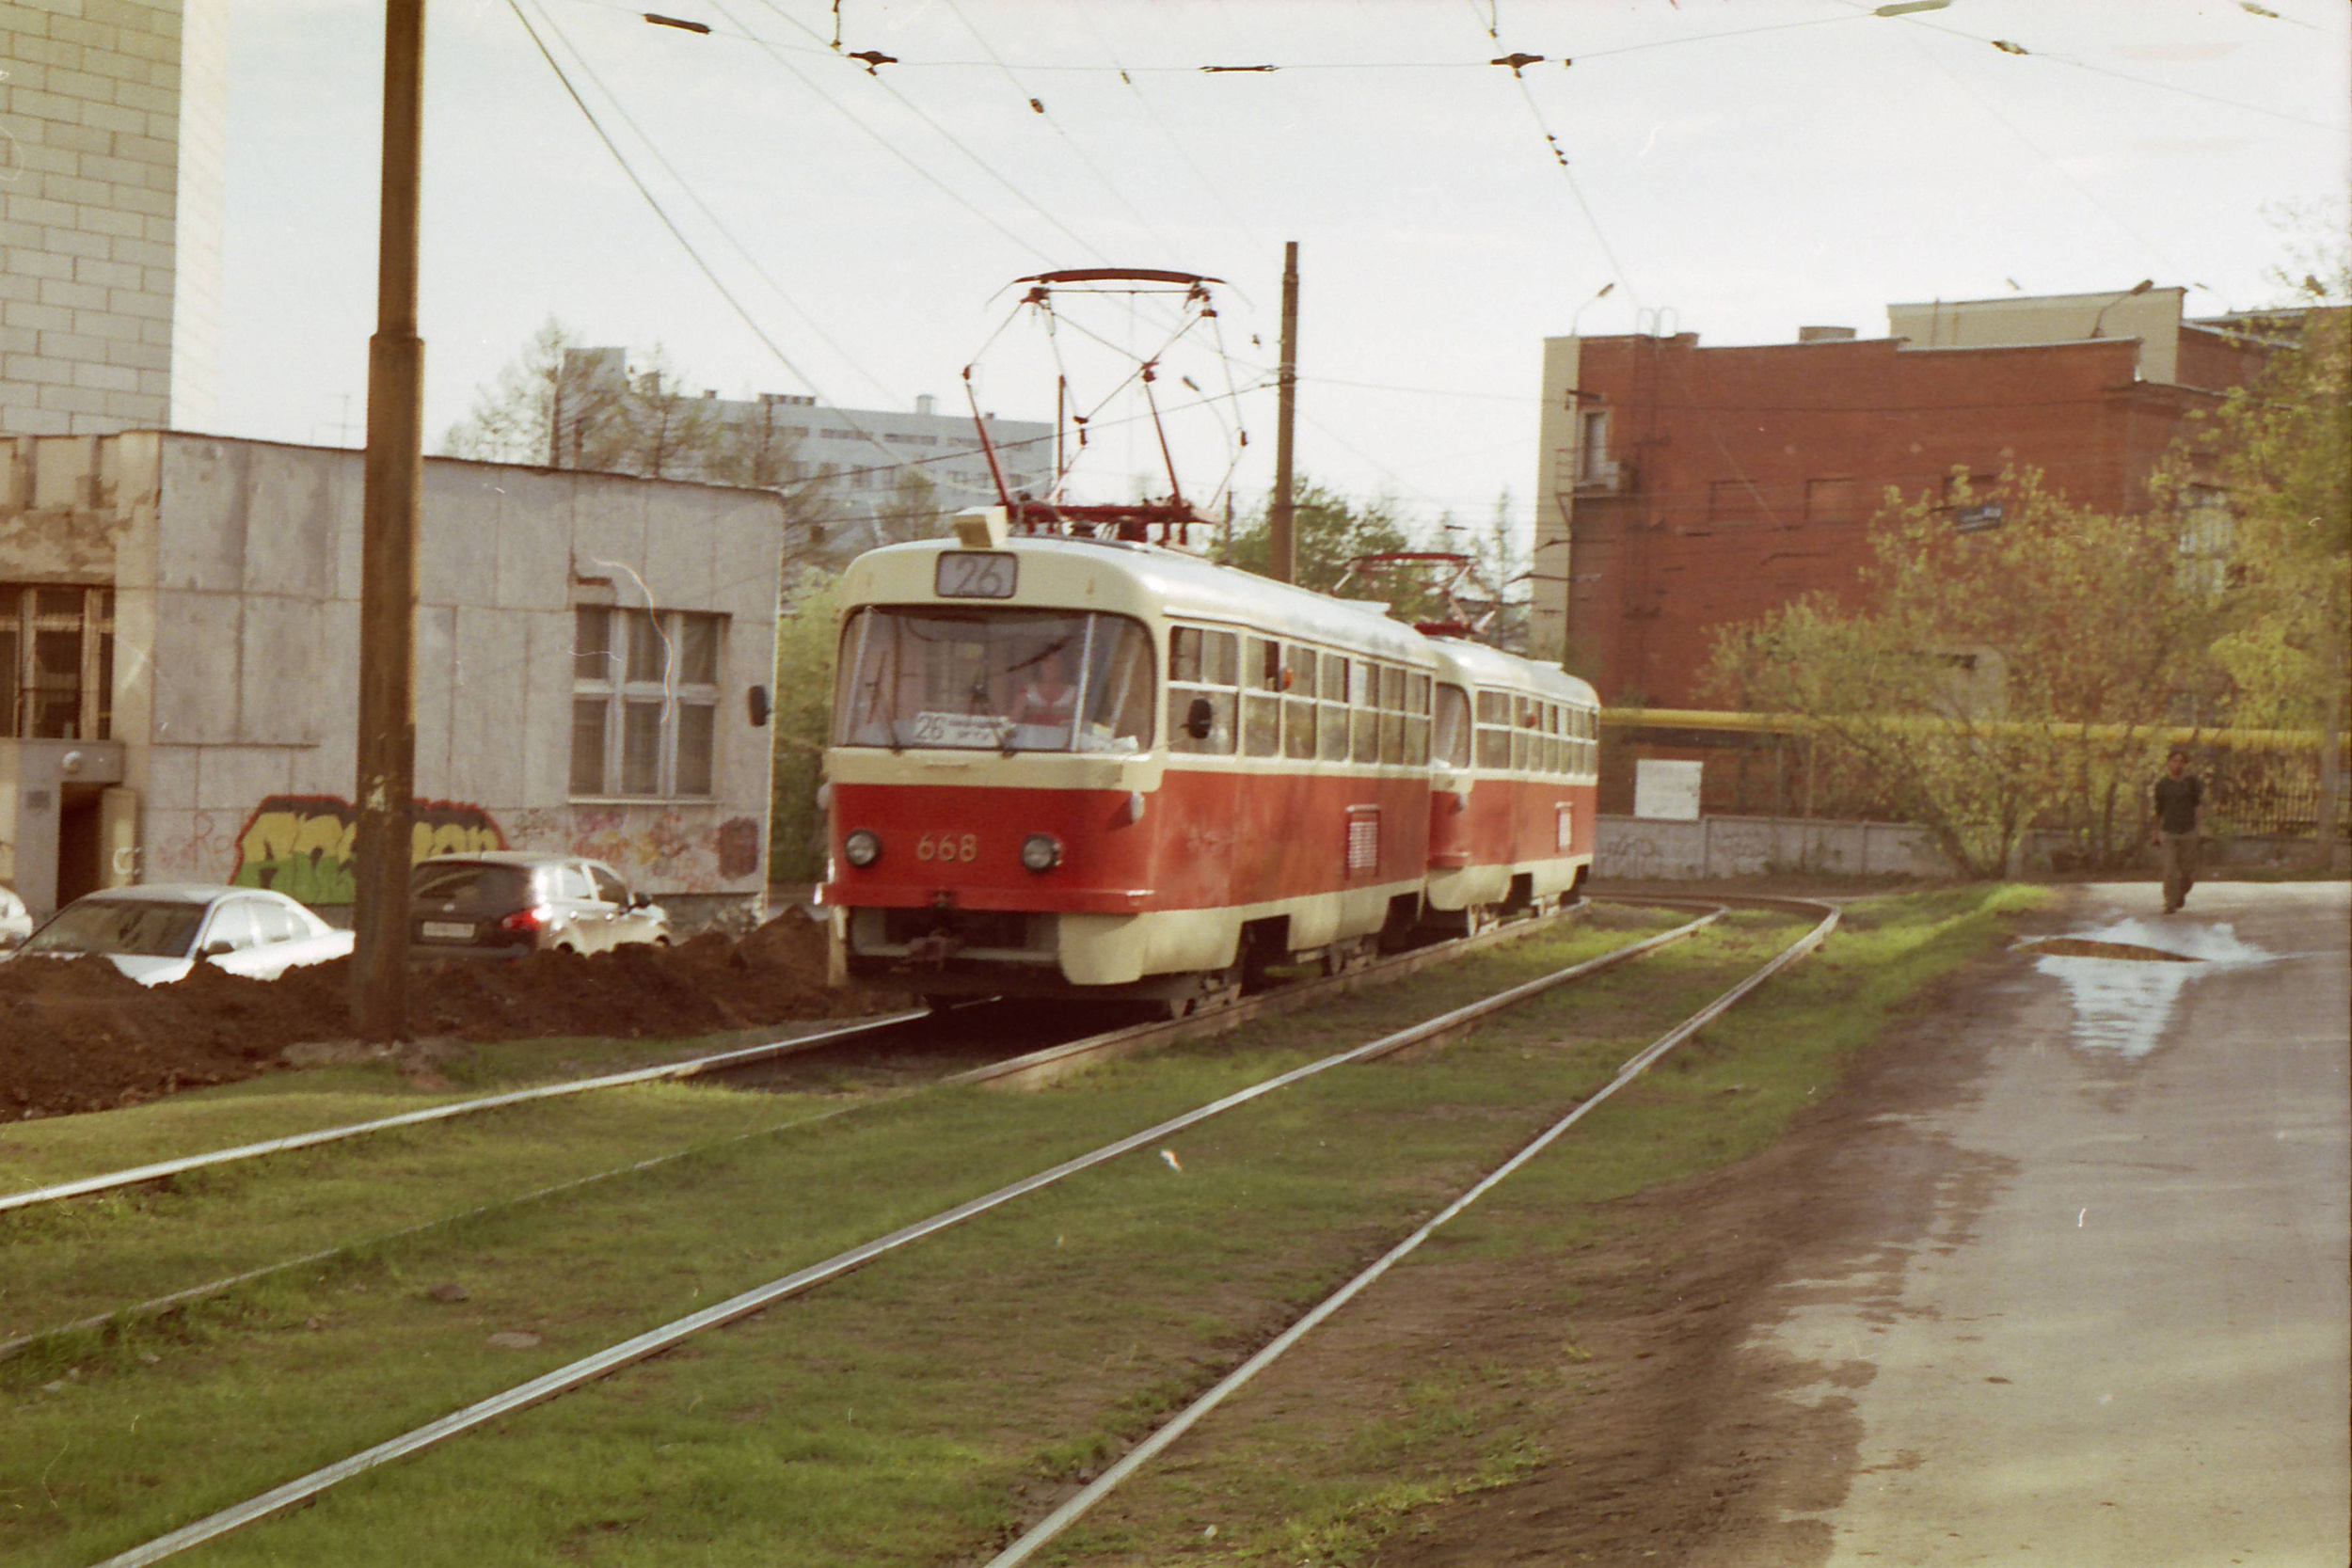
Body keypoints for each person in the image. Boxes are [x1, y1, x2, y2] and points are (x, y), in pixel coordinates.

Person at [2151, 748, 2204, 913]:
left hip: (2188, 831)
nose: (2178, 764)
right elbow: (2158, 810)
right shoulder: (2162, 785)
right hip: (2169, 832)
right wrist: (2155, 832)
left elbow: (2198, 806)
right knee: (2169, 870)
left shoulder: (2192, 783)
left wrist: (2199, 828)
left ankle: (2180, 893)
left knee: (2187, 872)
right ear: (2169, 763)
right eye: (2175, 761)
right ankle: (2169, 902)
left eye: (2181, 761)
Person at [1010, 646, 1077, 738]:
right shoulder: (1027, 691)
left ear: (1064, 667)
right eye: (1047, 662)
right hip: (1031, 743)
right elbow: (1014, 720)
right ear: (1040, 666)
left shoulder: (1074, 693)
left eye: (1056, 663)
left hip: (1064, 747)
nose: (1051, 667)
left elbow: (1078, 725)